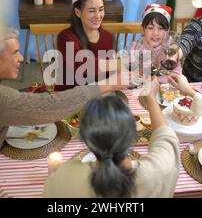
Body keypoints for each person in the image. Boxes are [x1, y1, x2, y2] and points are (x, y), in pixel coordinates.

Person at [0, 26, 128, 198]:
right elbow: (50, 106)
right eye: (15, 53)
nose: (21, 58)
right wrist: (106, 84)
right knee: (52, 187)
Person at [43, 77, 181, 198]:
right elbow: (164, 136)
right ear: (132, 136)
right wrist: (150, 97)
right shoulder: (160, 170)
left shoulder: (64, 177)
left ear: (86, 139)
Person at [54, 0, 115, 91]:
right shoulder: (65, 37)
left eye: (101, 9)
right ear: (78, 12)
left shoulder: (107, 37)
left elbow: (108, 74)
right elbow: (82, 66)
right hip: (69, 97)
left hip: (99, 94)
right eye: (92, 11)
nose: (98, 15)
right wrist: (118, 63)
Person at [129, 3, 182, 83]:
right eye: (150, 28)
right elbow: (129, 74)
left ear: (167, 30)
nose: (155, 33)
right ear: (143, 28)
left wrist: (154, 80)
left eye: (160, 28)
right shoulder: (136, 47)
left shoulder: (171, 49)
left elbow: (177, 75)